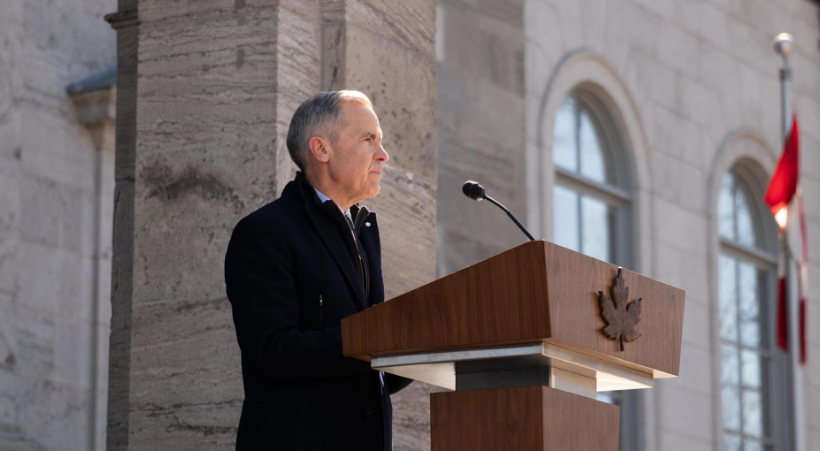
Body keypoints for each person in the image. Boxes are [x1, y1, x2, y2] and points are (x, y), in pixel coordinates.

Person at [224, 90, 413, 451]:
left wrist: (420, 343)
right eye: (368, 139)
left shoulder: (363, 231)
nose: (383, 154)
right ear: (321, 149)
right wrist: (376, 338)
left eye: (380, 141)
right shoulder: (265, 232)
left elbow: (369, 371)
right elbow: (272, 351)